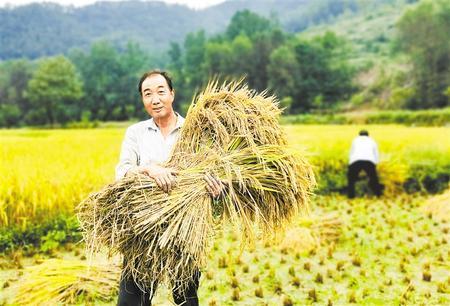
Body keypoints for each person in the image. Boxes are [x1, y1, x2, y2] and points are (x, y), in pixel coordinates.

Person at [115, 70, 223, 306]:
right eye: (148, 94)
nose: (155, 99)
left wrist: (216, 193)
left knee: (186, 298)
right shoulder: (136, 133)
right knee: (132, 301)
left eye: (161, 91)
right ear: (143, 100)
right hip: (143, 230)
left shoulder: (196, 132)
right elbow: (122, 172)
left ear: (172, 94)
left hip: (186, 229)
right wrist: (150, 170)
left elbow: (211, 177)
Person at [347, 130, 382, 199]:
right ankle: (378, 194)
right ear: (368, 135)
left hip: (356, 161)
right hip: (369, 160)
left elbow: (351, 153)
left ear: (359, 135)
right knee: (373, 177)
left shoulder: (355, 140)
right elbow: (376, 153)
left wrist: (350, 164)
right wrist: (375, 164)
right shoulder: (372, 141)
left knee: (351, 178)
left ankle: (351, 195)